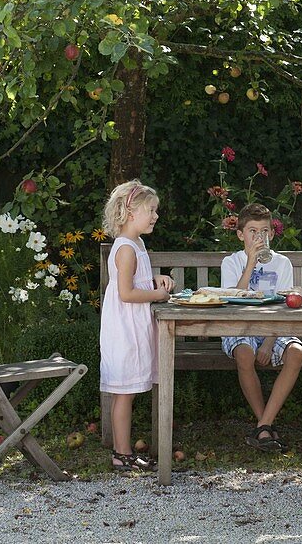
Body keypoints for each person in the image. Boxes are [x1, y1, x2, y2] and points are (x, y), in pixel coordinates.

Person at [99, 179, 174, 472]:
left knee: (127, 390)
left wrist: (156, 280)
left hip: (133, 325)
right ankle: (121, 454)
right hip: (124, 329)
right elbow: (126, 293)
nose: (155, 216)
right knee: (123, 392)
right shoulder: (126, 248)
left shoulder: (138, 244)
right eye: (151, 210)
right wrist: (157, 294)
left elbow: (136, 281)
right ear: (131, 212)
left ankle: (124, 452)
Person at [220, 203, 302, 452]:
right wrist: (250, 263)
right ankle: (264, 425)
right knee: (244, 353)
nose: (259, 237)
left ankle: (263, 424)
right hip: (240, 327)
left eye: (264, 231)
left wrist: (269, 340)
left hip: (274, 327)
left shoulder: (282, 263)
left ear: (271, 234)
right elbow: (232, 302)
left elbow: (286, 304)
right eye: (252, 231)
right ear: (240, 235)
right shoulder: (232, 262)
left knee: (296, 352)